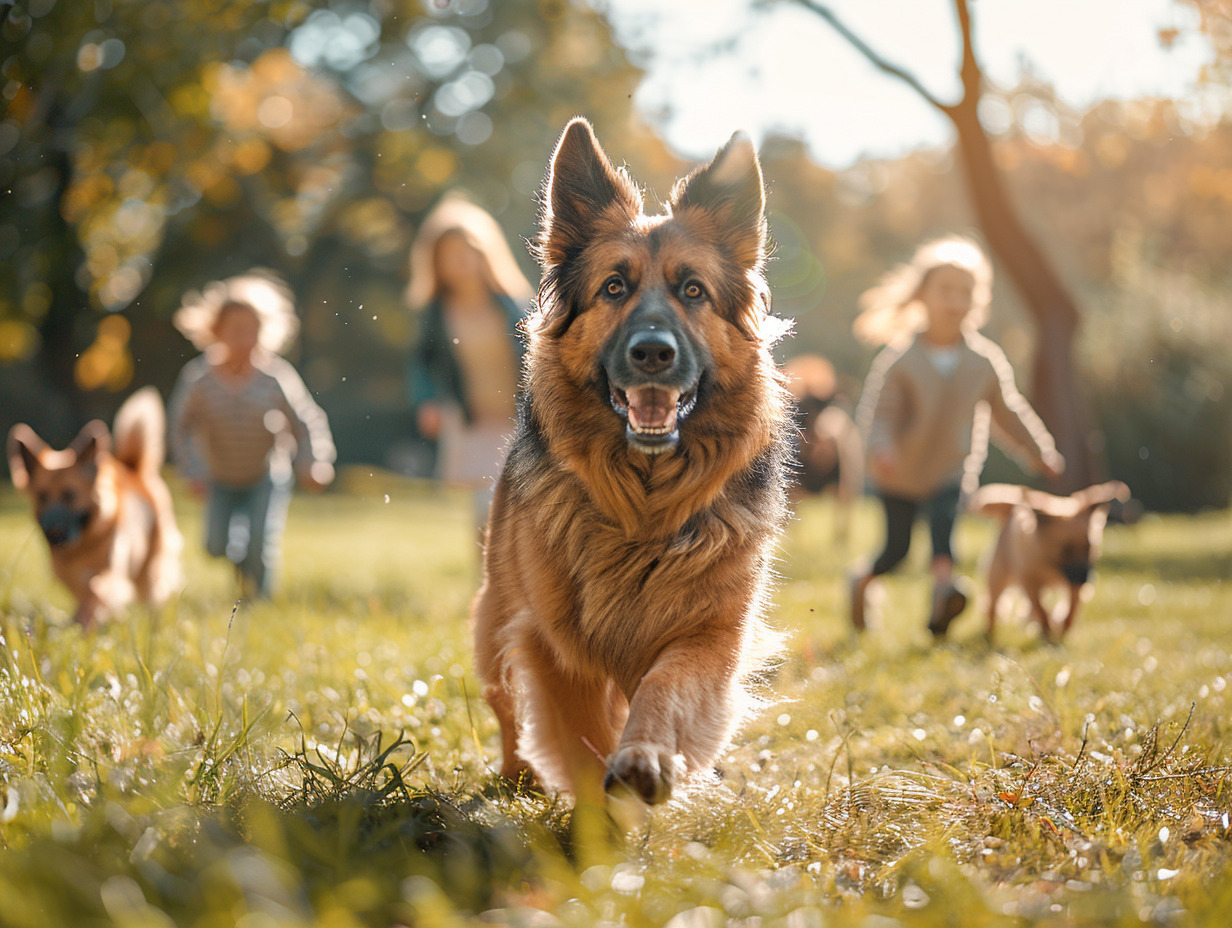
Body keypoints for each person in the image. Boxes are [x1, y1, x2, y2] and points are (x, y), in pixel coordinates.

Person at [849, 236, 1065, 636]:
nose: (955, 300)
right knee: (896, 552)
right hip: (898, 473)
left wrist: (1039, 451)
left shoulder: (984, 362)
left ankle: (943, 596)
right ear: (923, 296)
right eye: (945, 290)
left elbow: (1009, 413)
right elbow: (880, 416)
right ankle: (861, 583)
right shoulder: (900, 361)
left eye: (965, 292)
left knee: (943, 533)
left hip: (950, 470)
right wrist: (882, 449)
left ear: (977, 301)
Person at [169, 269, 335, 599]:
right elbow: (180, 427)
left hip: (265, 476)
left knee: (260, 543)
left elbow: (306, 420)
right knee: (216, 546)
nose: (246, 340)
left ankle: (257, 602)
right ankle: (240, 563)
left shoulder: (275, 377)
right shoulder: (199, 380)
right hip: (219, 478)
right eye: (236, 331)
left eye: (253, 331)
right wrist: (192, 470)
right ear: (216, 332)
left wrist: (314, 461)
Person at [405, 196, 533, 532]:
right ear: (435, 261)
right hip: (471, 420)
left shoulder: (512, 307)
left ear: (486, 253)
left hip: (516, 420)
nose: (460, 261)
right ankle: (488, 580)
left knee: (518, 510)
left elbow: (538, 354)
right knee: (485, 512)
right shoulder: (435, 315)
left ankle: (516, 580)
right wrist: (427, 401)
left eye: (468, 251)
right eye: (450, 255)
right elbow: (422, 364)